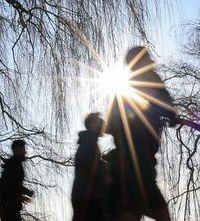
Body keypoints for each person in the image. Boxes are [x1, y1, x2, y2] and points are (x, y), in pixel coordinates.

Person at [105, 46, 176, 221]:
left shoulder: (123, 84)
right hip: (140, 156)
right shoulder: (150, 78)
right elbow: (164, 103)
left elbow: (111, 124)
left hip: (127, 157)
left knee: (130, 209)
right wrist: (171, 116)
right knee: (158, 211)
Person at [72, 113, 107, 221]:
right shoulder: (89, 140)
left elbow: (88, 160)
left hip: (83, 195)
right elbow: (88, 162)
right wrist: (105, 178)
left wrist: (102, 164)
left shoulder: (88, 140)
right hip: (89, 196)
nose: (102, 123)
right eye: (98, 121)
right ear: (92, 124)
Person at [0, 140, 35, 221]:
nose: (25, 152)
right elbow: (11, 186)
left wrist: (20, 196)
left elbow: (11, 186)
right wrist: (27, 192)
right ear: (17, 150)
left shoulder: (13, 164)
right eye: (23, 149)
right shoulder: (14, 165)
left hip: (9, 207)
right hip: (10, 208)